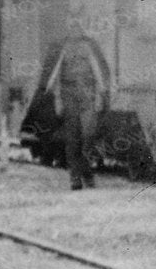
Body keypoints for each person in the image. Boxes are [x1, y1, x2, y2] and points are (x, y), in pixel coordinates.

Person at [45, 13, 110, 190]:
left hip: (87, 95)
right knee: (72, 139)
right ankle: (76, 178)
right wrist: (56, 96)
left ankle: (86, 172)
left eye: (77, 26)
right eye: (72, 26)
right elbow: (56, 73)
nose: (75, 30)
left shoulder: (88, 47)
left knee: (88, 135)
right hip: (69, 95)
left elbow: (96, 70)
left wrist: (100, 94)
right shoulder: (64, 48)